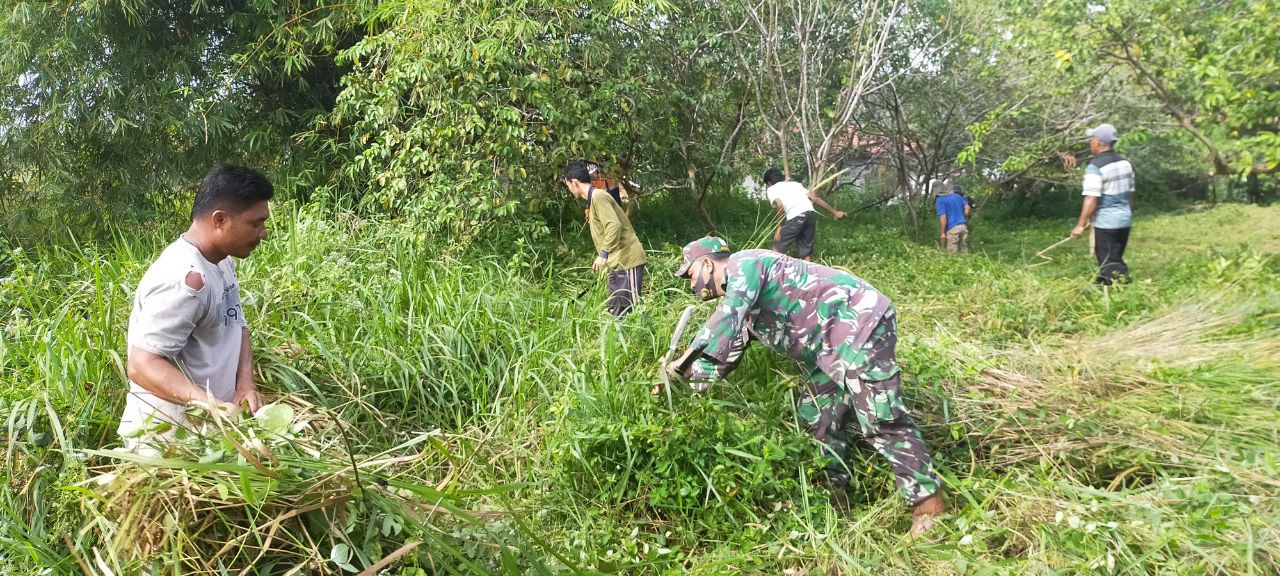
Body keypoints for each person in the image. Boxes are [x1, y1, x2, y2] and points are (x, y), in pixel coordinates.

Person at [660, 237, 945, 536]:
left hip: (859, 324)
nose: (692, 285)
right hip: (828, 351)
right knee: (816, 417)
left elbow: (726, 316)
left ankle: (929, 507)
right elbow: (721, 359)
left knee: (880, 417)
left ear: (707, 264)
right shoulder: (747, 311)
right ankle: (836, 496)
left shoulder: (745, 264)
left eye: (691, 275)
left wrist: (680, 362)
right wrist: (676, 388)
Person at [119, 165, 273, 453]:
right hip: (168, 443)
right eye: (255, 224)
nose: (263, 233)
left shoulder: (222, 261)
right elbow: (142, 364)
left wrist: (245, 385)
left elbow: (236, 324)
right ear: (220, 220)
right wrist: (207, 404)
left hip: (207, 432)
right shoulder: (184, 280)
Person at [563, 160, 646, 316]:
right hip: (616, 263)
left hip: (627, 260)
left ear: (574, 182)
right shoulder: (593, 199)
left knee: (632, 312)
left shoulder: (599, 196)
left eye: (568, 185)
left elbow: (614, 226)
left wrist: (603, 255)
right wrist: (605, 262)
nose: (569, 190)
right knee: (616, 312)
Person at [1070, 123, 1135, 285]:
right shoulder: (1125, 164)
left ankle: (1124, 289)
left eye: (1092, 139)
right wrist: (1126, 213)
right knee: (1114, 256)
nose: (1090, 142)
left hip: (1107, 223)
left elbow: (1091, 198)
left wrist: (1080, 225)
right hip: (1124, 220)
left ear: (1098, 143)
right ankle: (1102, 284)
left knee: (1109, 262)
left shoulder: (1095, 167)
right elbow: (1130, 194)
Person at [762, 168, 846, 261]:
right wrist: (835, 212)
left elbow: (779, 204)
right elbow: (815, 199)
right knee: (806, 253)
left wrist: (779, 226)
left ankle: (771, 272)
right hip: (810, 215)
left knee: (777, 248)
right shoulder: (795, 184)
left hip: (796, 218)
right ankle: (807, 274)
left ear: (769, 183)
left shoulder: (772, 189)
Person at [935, 177, 970, 253]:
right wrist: (963, 216)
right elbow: (967, 207)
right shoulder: (957, 196)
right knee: (963, 251)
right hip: (963, 227)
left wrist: (942, 233)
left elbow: (943, 217)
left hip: (953, 229)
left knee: (952, 254)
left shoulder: (940, 200)